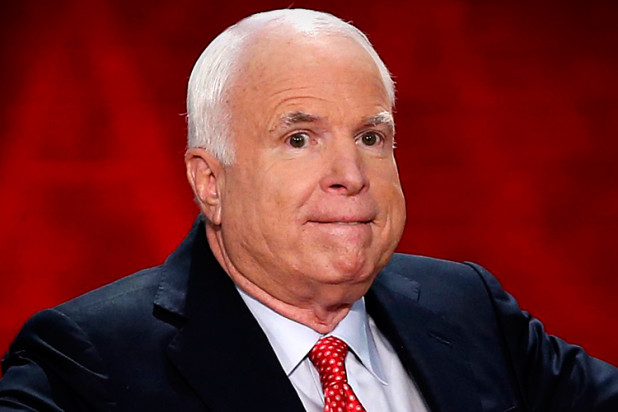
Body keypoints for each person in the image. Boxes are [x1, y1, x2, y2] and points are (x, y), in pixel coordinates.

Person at [0, 8, 616, 412]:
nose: (351, 176)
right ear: (209, 181)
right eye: (299, 139)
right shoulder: (86, 362)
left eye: (371, 138)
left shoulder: (470, 306)